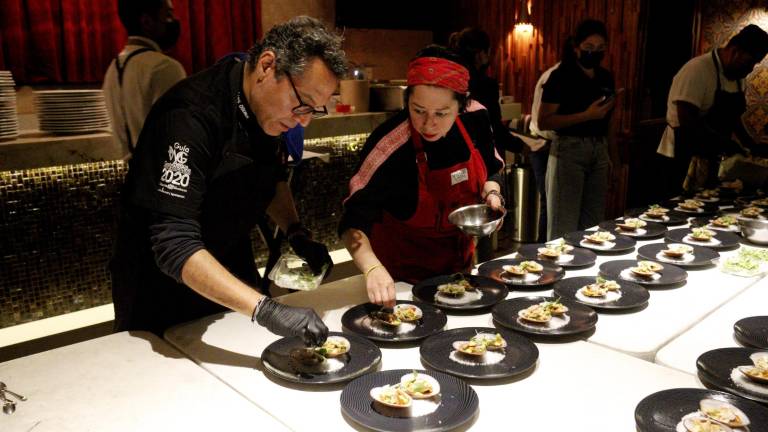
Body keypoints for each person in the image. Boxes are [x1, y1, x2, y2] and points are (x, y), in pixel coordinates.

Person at [109, 16, 347, 345]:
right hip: (162, 288)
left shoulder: (269, 109)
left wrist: (296, 231)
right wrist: (268, 310)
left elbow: (270, 176)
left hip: (229, 263)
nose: (303, 121)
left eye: (315, 110)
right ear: (267, 66)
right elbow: (174, 245)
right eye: (302, 103)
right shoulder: (189, 116)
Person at [339, 45, 505, 308]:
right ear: (407, 102)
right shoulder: (390, 146)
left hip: (459, 275)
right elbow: (352, 222)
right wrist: (371, 268)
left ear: (462, 105)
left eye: (441, 113)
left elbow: (492, 165)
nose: (429, 123)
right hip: (399, 285)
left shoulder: (476, 117)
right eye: (418, 110)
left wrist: (493, 193)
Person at [657, 24, 768, 193]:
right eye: (749, 62)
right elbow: (687, 120)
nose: (750, 69)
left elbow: (733, 117)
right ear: (735, 51)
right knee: (675, 209)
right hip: (681, 154)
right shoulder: (698, 69)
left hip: (711, 156)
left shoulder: (738, 78)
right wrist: (725, 143)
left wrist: (750, 144)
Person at [538, 19, 620, 240]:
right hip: (569, 151)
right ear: (577, 47)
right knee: (562, 228)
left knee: (593, 227)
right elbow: (544, 121)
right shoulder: (560, 76)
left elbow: (610, 122)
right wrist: (587, 115)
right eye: (589, 48)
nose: (595, 53)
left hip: (599, 150)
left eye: (600, 48)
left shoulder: (605, 77)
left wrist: (614, 159)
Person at [103, 0, 187, 158]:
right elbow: (178, 138)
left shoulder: (113, 69)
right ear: (147, 22)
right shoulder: (164, 67)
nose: (174, 20)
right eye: (168, 14)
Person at [527, 62, 560, 242]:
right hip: (542, 143)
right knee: (549, 201)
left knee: (551, 202)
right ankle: (543, 248)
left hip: (548, 143)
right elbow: (543, 121)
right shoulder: (555, 76)